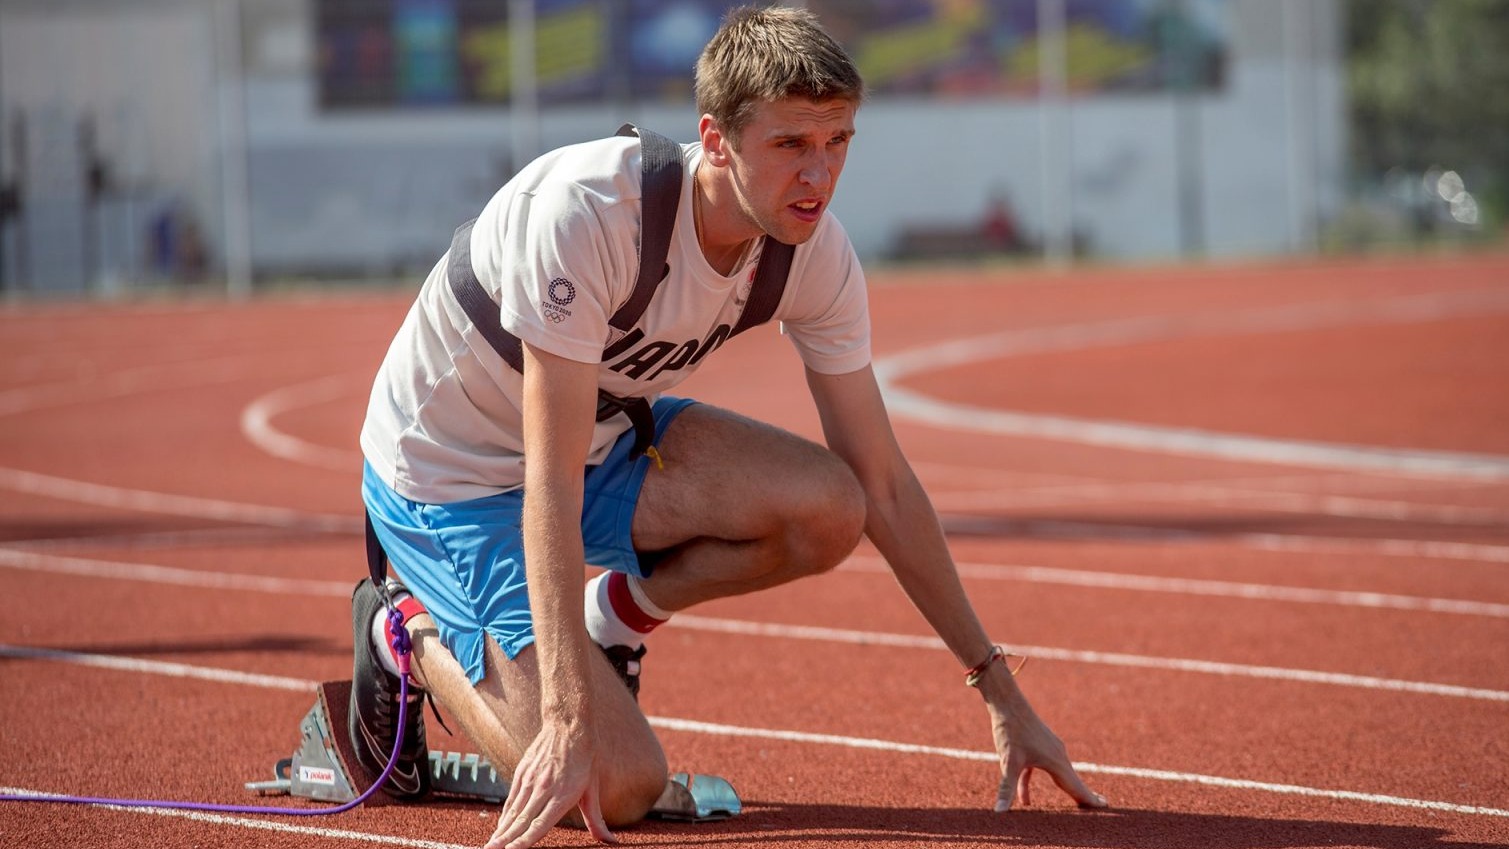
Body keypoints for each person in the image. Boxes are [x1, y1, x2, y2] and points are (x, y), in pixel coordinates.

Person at [352, 6, 1106, 849]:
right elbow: (549, 481)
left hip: (597, 444)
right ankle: (403, 626)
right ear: (715, 140)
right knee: (619, 782)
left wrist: (1003, 695)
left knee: (832, 505)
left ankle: (618, 620)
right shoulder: (587, 215)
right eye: (790, 145)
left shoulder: (810, 251)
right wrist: (566, 718)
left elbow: (884, 482)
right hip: (452, 476)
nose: (818, 175)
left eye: (838, 142)